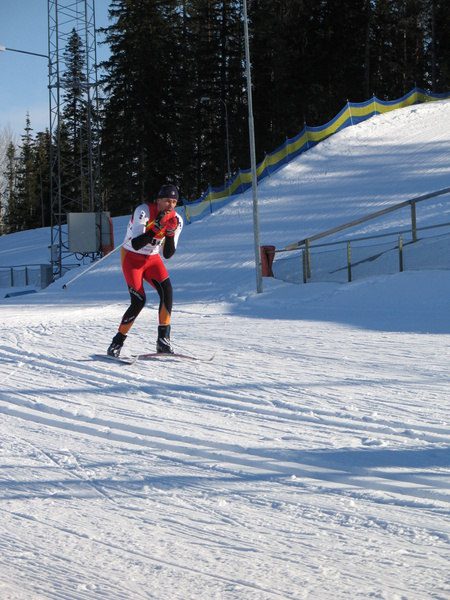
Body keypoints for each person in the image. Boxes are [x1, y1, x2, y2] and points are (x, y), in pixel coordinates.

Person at [107, 183, 183, 357]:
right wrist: (155, 228)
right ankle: (117, 342)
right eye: (167, 201)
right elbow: (136, 243)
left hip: (152, 259)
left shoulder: (177, 219)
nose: (170, 205)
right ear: (158, 201)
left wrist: (170, 233)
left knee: (167, 290)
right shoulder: (144, 211)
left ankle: (163, 340)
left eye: (174, 202)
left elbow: (168, 254)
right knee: (139, 300)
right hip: (132, 258)